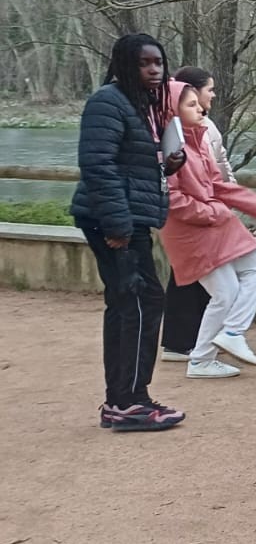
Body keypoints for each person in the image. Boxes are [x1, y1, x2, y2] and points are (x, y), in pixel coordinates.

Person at [73, 33, 187, 431]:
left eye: (158, 62)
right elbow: (98, 166)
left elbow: (128, 164)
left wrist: (167, 165)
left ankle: (125, 399)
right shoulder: (107, 102)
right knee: (135, 304)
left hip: (129, 216)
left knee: (137, 303)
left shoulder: (142, 106)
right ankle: (127, 402)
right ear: (125, 64)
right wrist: (117, 225)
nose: (155, 69)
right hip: (114, 220)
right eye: (144, 63)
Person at [160, 80, 256, 380]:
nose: (200, 107)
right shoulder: (166, 148)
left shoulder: (198, 140)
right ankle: (218, 346)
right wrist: (213, 211)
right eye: (190, 104)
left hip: (210, 227)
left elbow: (218, 185)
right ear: (171, 110)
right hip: (190, 233)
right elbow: (170, 199)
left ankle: (209, 352)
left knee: (250, 272)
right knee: (229, 289)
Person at [160, 66, 236, 363]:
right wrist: (221, 202)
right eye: (209, 89)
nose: (213, 95)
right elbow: (213, 169)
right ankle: (184, 344)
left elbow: (220, 165)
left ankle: (188, 341)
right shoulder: (183, 129)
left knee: (194, 278)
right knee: (192, 279)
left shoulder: (202, 124)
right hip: (198, 213)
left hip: (208, 209)